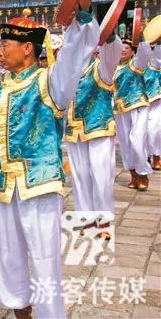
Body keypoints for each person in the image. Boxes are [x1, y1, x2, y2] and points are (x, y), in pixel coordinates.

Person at [0, 0, 99, 319]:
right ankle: (20, 307)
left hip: (41, 184)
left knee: (45, 258)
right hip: (7, 184)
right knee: (8, 253)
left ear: (28, 48)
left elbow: (74, 57)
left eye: (6, 45)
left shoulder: (51, 81)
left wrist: (84, 14)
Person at [64, 34, 121, 239]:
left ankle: (103, 223)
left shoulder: (102, 67)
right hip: (74, 132)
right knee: (80, 179)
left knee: (102, 178)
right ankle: (86, 222)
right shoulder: (67, 72)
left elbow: (113, 52)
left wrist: (110, 37)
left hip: (99, 129)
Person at [112, 37, 152, 191]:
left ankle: (143, 174)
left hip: (138, 105)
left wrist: (141, 39)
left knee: (137, 140)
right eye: (120, 49)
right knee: (125, 144)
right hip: (120, 110)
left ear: (133, 52)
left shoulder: (136, 64)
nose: (123, 50)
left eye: (127, 48)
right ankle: (133, 175)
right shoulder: (113, 68)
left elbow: (144, 53)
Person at [145, 42, 161, 170]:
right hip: (139, 102)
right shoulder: (134, 64)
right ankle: (145, 157)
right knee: (141, 132)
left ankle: (156, 156)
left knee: (154, 130)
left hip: (156, 100)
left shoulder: (155, 63)